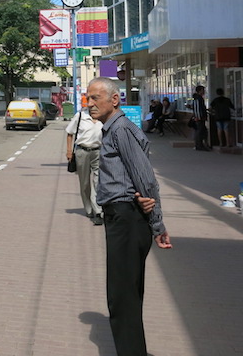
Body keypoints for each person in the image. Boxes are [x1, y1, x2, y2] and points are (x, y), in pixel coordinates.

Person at [86, 77, 172, 356]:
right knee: (126, 294)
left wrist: (157, 223)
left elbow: (145, 179)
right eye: (88, 98)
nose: (90, 104)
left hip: (127, 218)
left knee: (122, 296)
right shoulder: (113, 130)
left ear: (114, 100)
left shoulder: (121, 130)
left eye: (96, 98)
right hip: (122, 216)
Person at [65, 106, 104, 225]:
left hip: (98, 151)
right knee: (85, 182)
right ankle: (88, 208)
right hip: (82, 152)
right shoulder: (81, 116)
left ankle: (98, 211)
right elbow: (69, 133)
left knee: (98, 181)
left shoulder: (103, 116)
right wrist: (69, 151)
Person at [192, 85, 210, 151]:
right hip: (199, 118)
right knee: (199, 131)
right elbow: (197, 108)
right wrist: (198, 117)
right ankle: (199, 146)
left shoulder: (199, 98)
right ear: (200, 91)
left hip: (201, 117)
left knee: (203, 131)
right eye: (203, 90)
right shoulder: (198, 98)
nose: (204, 91)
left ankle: (202, 145)